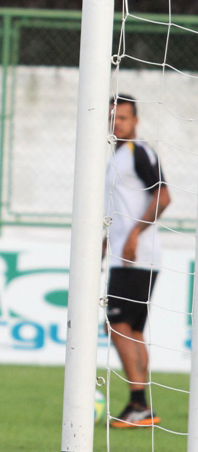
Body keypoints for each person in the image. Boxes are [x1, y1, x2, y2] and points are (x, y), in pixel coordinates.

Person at [104, 94, 170, 428]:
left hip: (136, 257)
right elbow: (115, 212)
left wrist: (134, 236)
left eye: (124, 118)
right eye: (113, 118)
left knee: (117, 325)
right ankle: (142, 405)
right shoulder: (116, 157)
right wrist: (104, 246)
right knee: (133, 329)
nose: (118, 124)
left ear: (136, 120)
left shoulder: (138, 152)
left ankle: (138, 403)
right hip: (125, 257)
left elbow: (164, 194)